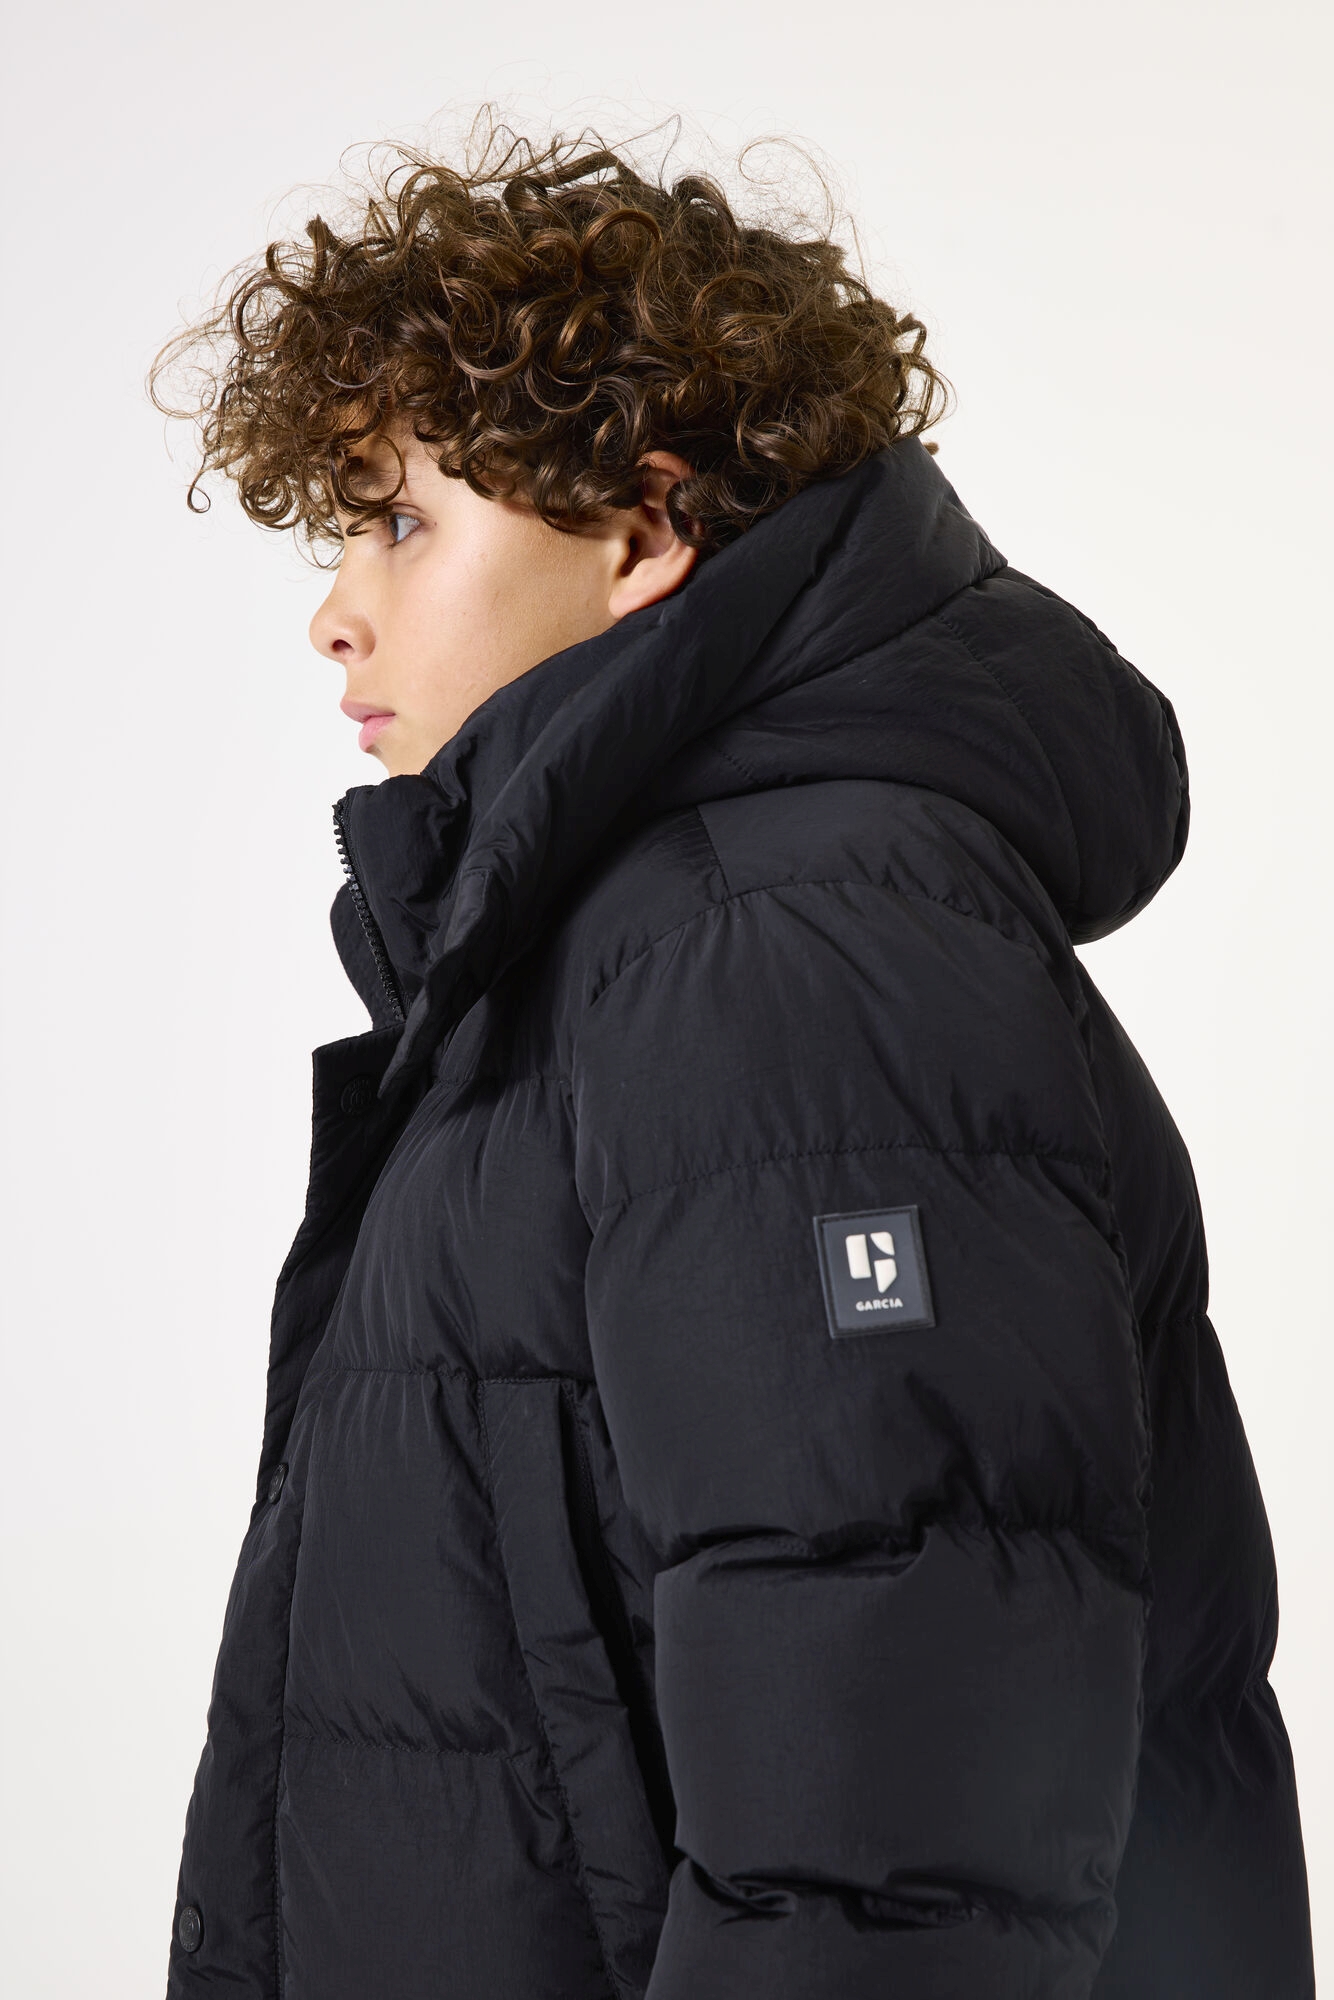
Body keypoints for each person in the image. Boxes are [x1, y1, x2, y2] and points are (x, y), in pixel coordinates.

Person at [151, 119, 1315, 2000]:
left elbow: (899, 1798)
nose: (335, 611)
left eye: (401, 521)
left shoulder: (785, 942)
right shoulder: (624, 937)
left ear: (639, 531)